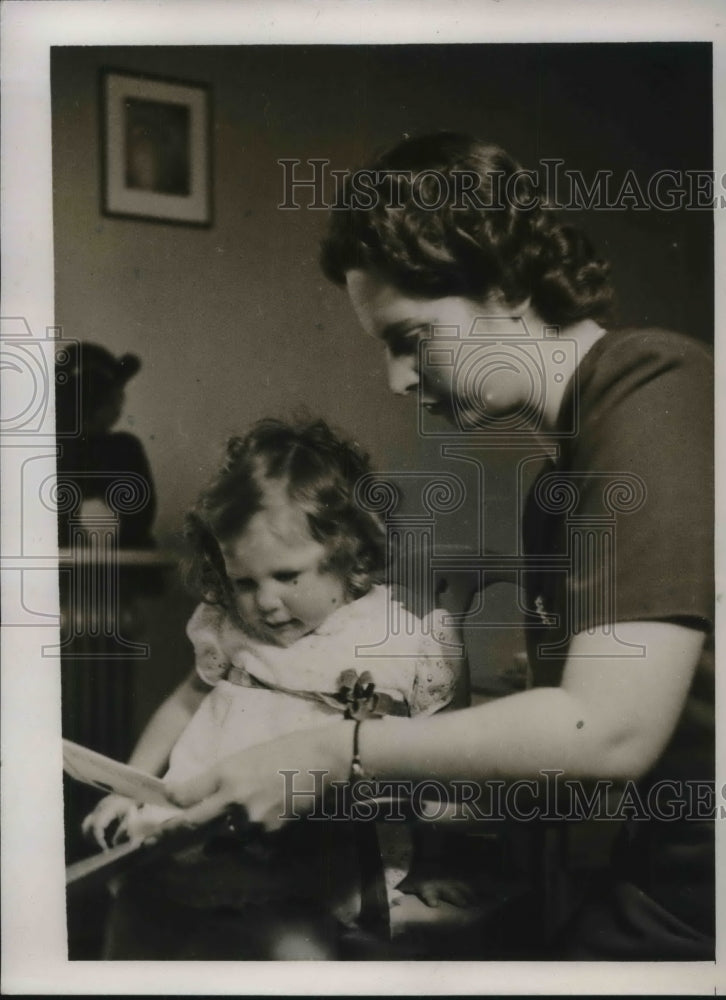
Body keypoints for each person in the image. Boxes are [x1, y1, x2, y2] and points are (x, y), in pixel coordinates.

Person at [161, 133, 714, 960]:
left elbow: (606, 731)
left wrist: (326, 752)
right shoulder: (556, 485)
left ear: (509, 284)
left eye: (409, 338)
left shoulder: (652, 382)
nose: (397, 381)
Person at [82, 416, 468, 959]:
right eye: (244, 581)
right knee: (145, 914)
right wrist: (131, 784)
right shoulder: (230, 629)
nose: (264, 602)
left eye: (288, 577)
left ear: (351, 552)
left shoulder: (395, 636)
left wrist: (437, 861)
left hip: (317, 851)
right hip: (206, 832)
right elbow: (186, 700)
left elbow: (436, 761)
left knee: (289, 945)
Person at [56, 341, 156, 548]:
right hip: (116, 560)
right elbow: (140, 516)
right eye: (114, 399)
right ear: (95, 404)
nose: (120, 405)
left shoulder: (53, 449)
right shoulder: (124, 448)